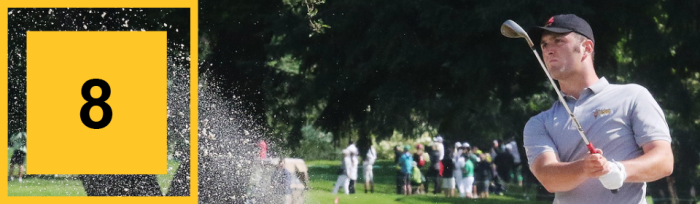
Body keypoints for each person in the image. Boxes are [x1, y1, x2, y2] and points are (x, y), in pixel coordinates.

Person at [523, 14, 674, 203]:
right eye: (544, 45)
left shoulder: (633, 96)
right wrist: (585, 168)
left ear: (586, 48)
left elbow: (664, 161)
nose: (548, 50)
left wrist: (620, 170)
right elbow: (548, 177)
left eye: (558, 41)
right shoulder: (539, 123)